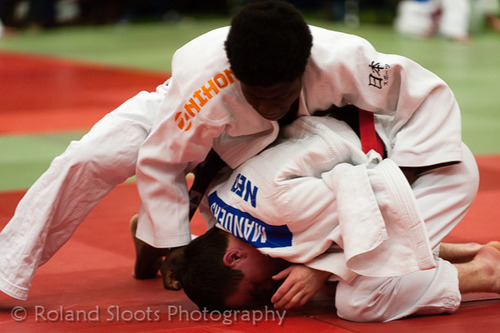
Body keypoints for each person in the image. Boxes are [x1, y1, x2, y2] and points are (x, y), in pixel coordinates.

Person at [0, 0, 471, 305]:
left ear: (303, 70)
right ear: (236, 72)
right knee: (87, 158)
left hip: (290, 138)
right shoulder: (204, 90)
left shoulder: (344, 59)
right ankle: (8, 270)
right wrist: (175, 241)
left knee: (278, 210)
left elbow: (426, 95)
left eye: (278, 93)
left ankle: (151, 235)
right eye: (257, 94)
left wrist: (403, 174)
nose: (267, 103)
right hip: (191, 116)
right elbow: (164, 162)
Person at [171, 114, 497, 322]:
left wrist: (319, 269)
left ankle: (484, 273)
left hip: (430, 170)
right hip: (405, 159)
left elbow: (375, 192)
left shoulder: (280, 205)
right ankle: (463, 251)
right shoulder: (223, 204)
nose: (269, 294)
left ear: (233, 257)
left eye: (257, 290)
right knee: (318, 270)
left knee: (358, 300)